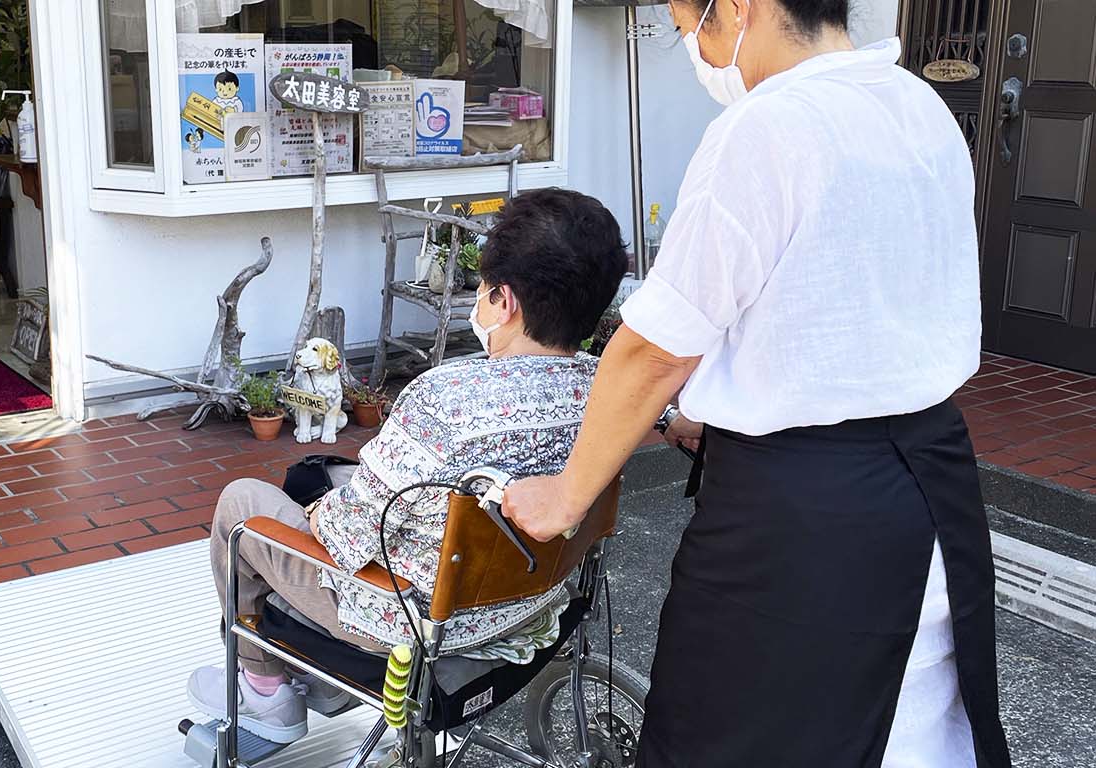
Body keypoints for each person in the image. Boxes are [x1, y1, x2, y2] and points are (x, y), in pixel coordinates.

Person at [501, 1, 1013, 766]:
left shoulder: (768, 125)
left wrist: (566, 495)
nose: (693, 47)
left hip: (802, 516)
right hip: (933, 479)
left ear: (738, 9)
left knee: (737, 734)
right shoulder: (919, 106)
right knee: (914, 726)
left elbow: (653, 351)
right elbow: (839, 295)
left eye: (689, 23)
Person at [186, 188, 628, 745]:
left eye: (485, 293)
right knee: (334, 478)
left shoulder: (444, 398)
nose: (481, 305)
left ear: (507, 302)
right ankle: (320, 685)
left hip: (415, 622)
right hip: (535, 600)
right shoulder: (614, 392)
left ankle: (266, 691)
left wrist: (323, 511)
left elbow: (344, 533)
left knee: (245, 505)